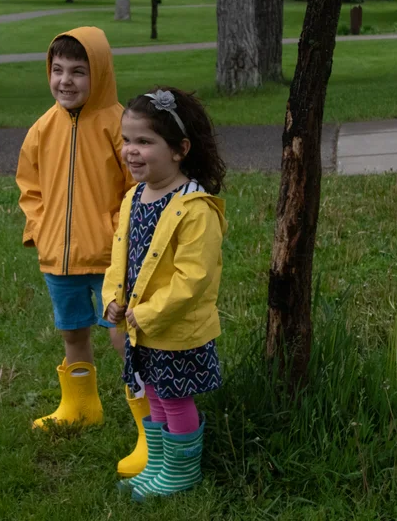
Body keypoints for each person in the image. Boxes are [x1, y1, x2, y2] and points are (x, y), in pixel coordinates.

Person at [16, 27, 151, 477]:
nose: (65, 81)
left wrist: (122, 237)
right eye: (57, 70)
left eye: (78, 71)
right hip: (60, 257)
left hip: (113, 259)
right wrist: (41, 229)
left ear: (101, 73)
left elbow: (138, 186)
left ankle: (151, 428)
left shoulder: (119, 125)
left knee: (123, 338)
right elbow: (29, 187)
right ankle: (80, 406)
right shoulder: (42, 128)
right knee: (72, 331)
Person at [103, 87, 227, 501]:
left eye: (144, 141)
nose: (131, 150)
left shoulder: (195, 208)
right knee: (153, 392)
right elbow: (119, 256)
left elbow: (194, 278)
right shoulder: (134, 197)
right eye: (126, 140)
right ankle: (159, 464)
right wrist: (112, 298)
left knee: (174, 398)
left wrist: (149, 313)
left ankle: (181, 471)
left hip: (173, 327)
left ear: (179, 150)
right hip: (141, 326)